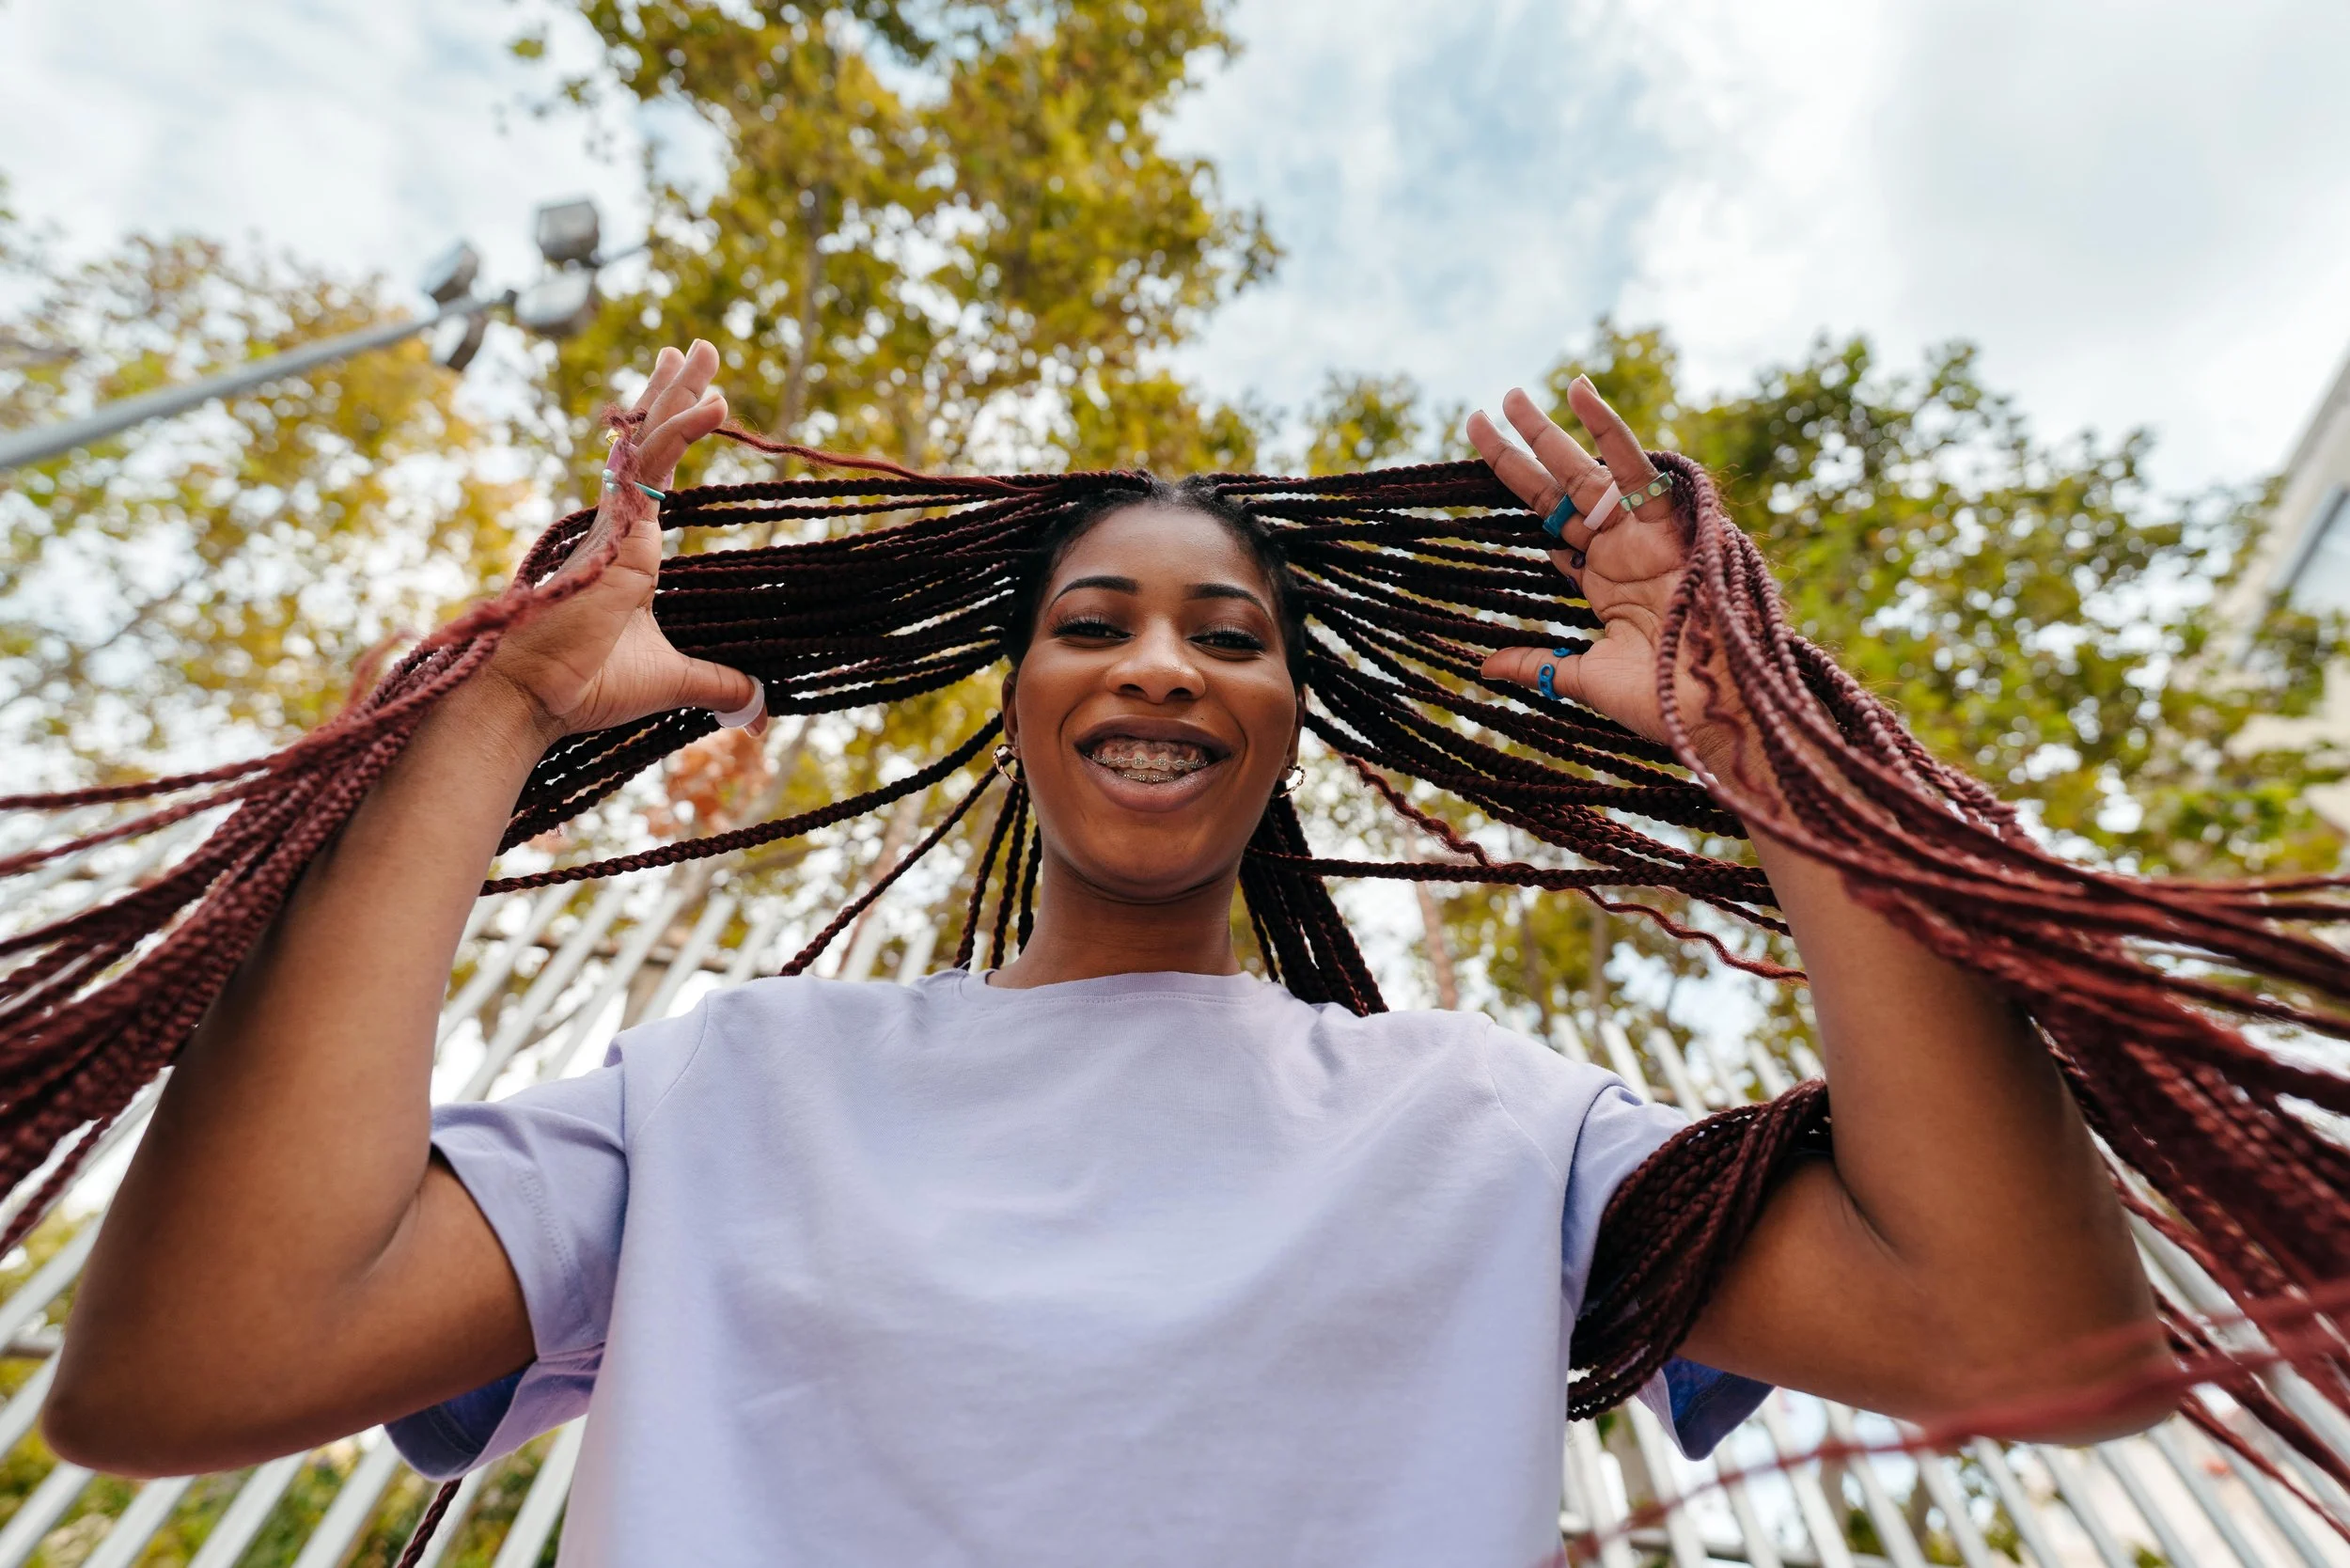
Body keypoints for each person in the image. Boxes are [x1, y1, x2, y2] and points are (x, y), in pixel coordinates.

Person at [44, 340, 2169, 1565]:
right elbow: (187, 1375)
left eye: (1226, 633)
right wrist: (484, 719)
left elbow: (2025, 1343)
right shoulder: (731, 1085)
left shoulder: (1489, 1126)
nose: (1159, 660)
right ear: (1016, 694)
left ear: (1285, 716)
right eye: (1094, 622)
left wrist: (1758, 734)